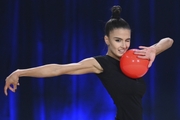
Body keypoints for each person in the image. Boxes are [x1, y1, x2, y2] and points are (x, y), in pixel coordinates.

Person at [4, 5, 173, 120]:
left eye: (127, 40)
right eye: (118, 40)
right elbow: (59, 69)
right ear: (107, 40)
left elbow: (169, 40)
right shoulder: (101, 64)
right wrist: (20, 72)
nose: (124, 45)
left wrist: (154, 49)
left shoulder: (136, 57)